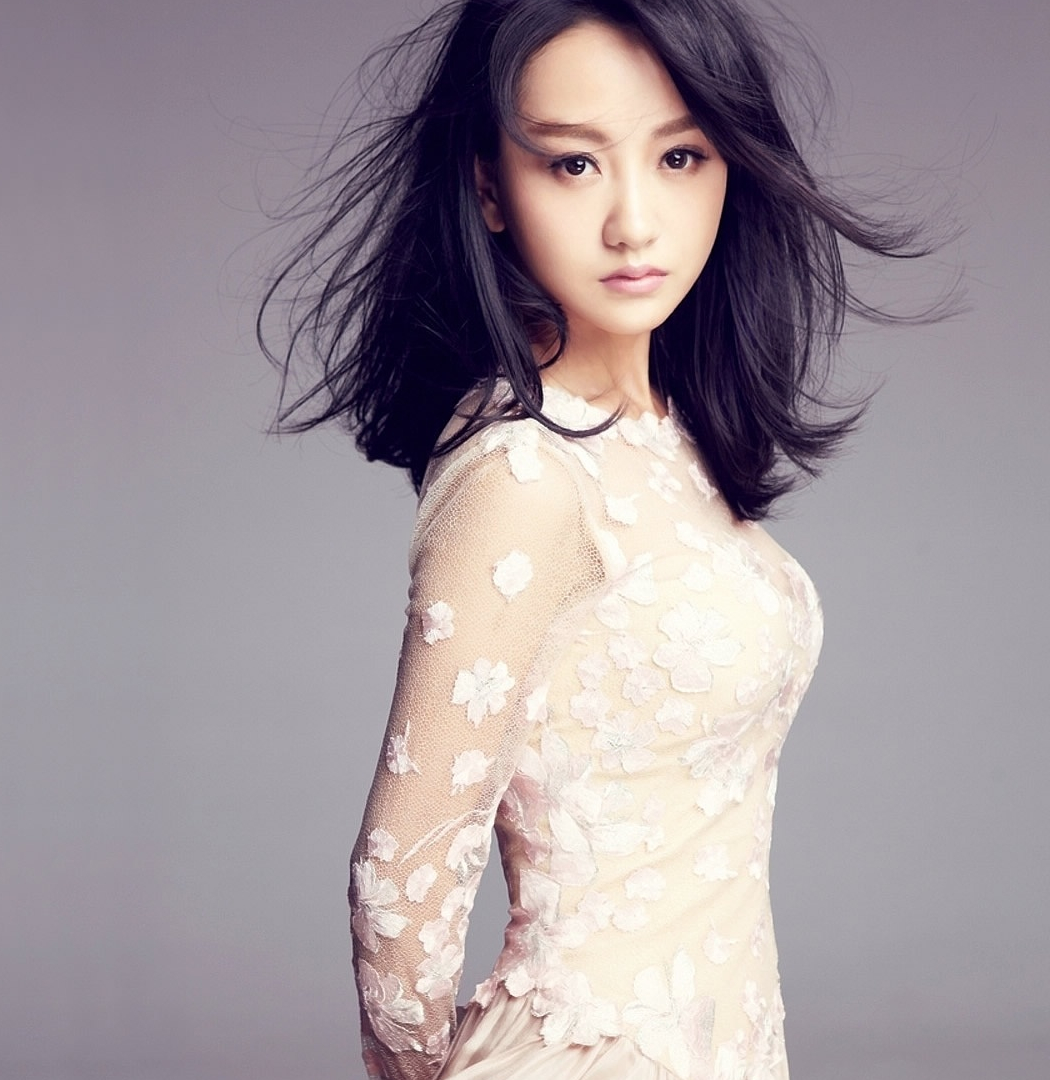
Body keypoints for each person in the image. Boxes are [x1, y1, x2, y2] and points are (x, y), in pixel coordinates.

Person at [255, 1, 955, 1077]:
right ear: (490, 188)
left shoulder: (669, 433)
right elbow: (399, 883)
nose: (635, 222)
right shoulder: (521, 473)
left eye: (679, 156)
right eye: (574, 164)